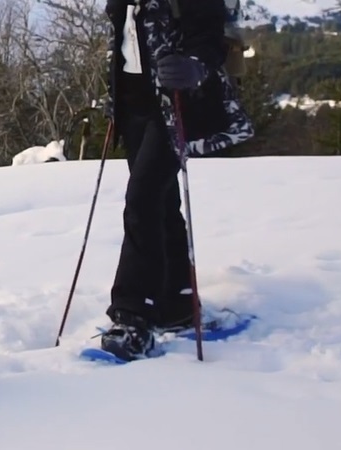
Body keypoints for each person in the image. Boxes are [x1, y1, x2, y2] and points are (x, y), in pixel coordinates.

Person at [100, 0, 253, 361]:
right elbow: (124, 39)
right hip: (133, 103)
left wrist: (194, 66)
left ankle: (133, 315)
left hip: (175, 106)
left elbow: (211, 34)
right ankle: (177, 302)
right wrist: (114, 93)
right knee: (162, 203)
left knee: (142, 200)